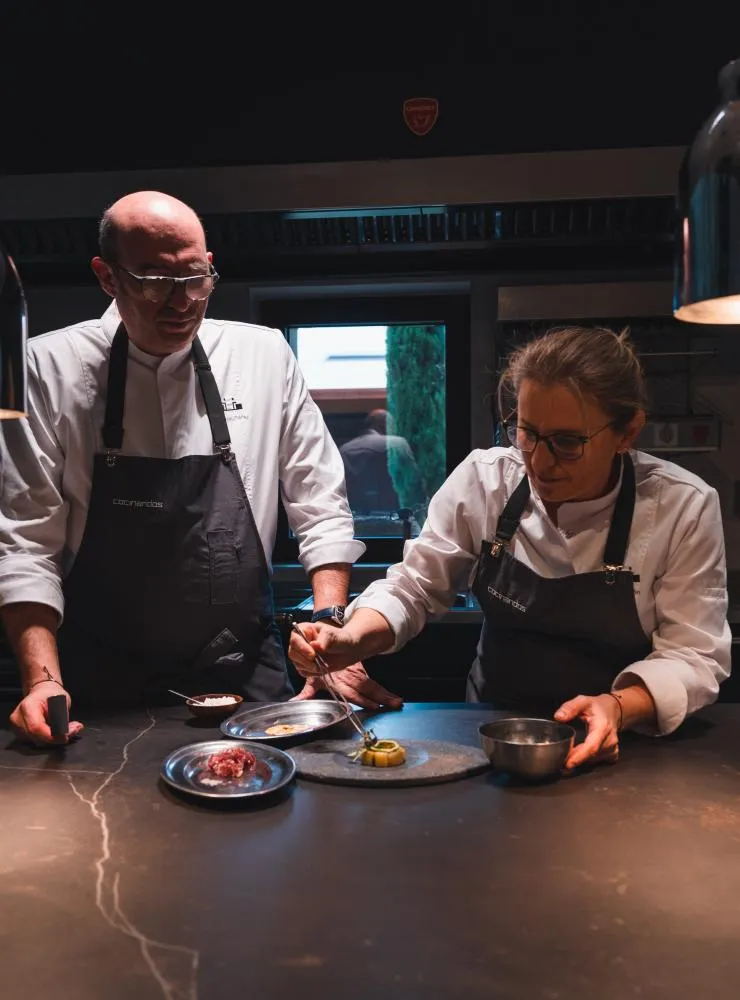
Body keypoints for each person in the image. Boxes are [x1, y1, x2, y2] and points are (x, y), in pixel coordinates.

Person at [0, 191, 401, 745]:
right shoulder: (47, 369)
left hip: (243, 672)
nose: (183, 301)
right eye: (155, 282)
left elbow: (320, 505)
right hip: (102, 685)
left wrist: (331, 635)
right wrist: (41, 680)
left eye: (197, 277)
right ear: (107, 276)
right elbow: (25, 545)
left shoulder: (263, 356)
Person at [290, 325, 731, 769]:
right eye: (526, 432)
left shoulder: (681, 507)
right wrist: (350, 638)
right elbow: (415, 587)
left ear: (626, 433)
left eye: (566, 443)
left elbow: (694, 654)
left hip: (622, 742)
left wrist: (619, 706)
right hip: (493, 734)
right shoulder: (486, 482)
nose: (539, 462)